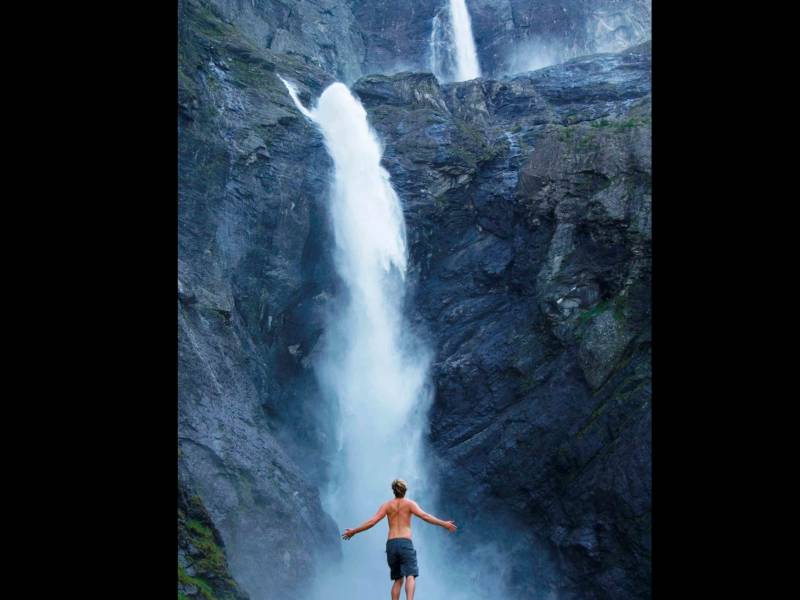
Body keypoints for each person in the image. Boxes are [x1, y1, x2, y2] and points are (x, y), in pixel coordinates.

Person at [341, 479, 457, 600]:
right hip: (405, 543)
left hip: (391, 544)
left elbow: (372, 522)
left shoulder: (386, 505)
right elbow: (425, 516)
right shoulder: (410, 504)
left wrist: (354, 531)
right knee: (410, 575)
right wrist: (444, 524)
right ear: (405, 490)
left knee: (398, 580)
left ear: (393, 491)